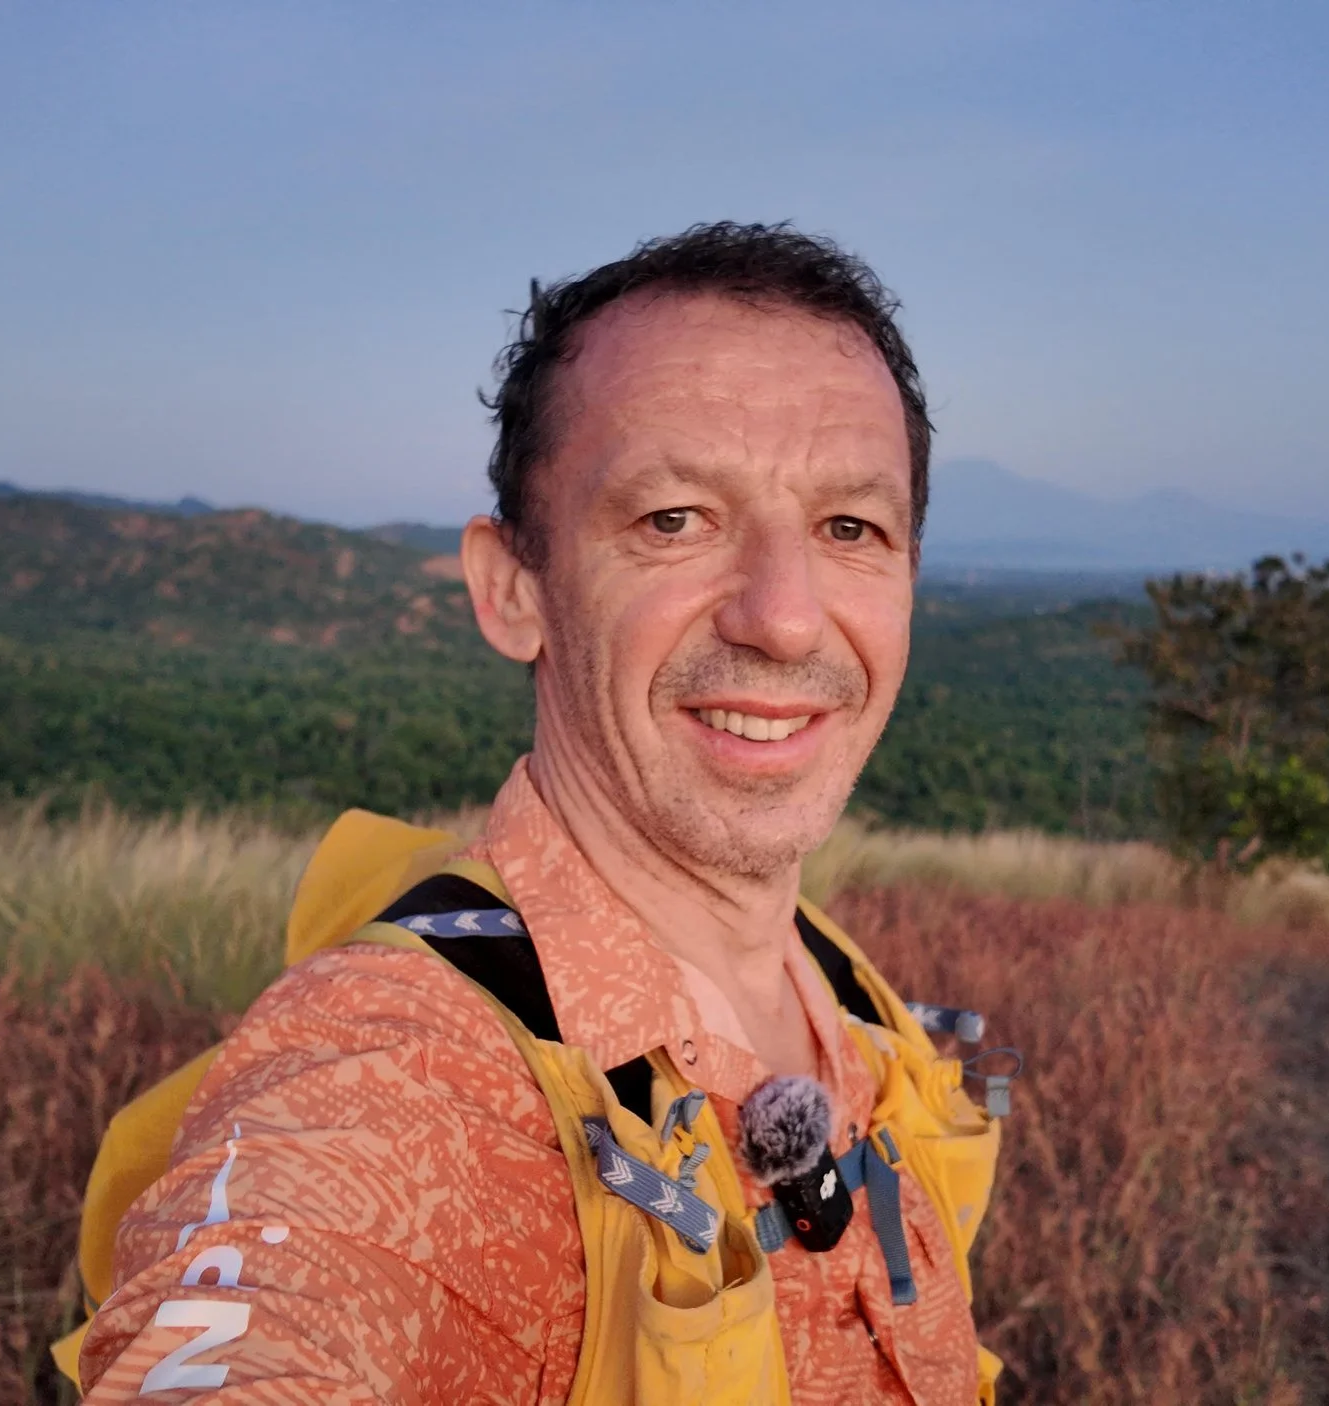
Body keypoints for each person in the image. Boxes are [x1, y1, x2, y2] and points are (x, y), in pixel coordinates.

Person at [75, 223, 1002, 1404]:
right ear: (515, 590)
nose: (784, 617)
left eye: (850, 528)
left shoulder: (842, 983)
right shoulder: (401, 1072)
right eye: (674, 518)